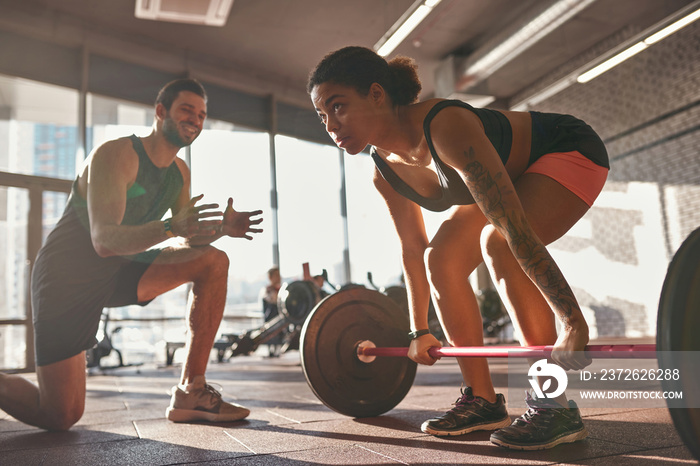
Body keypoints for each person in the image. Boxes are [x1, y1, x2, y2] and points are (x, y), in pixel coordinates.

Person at [307, 46, 609, 450]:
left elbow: (512, 226)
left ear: (376, 93)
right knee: (441, 257)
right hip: (511, 181)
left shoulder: (445, 126)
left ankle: (552, 403)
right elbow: (413, 248)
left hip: (566, 149)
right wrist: (419, 329)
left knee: (498, 244)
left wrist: (572, 319)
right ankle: (482, 400)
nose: (331, 124)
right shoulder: (383, 170)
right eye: (323, 115)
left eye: (338, 106)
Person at [0, 78, 264, 431]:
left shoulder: (179, 174)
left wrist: (220, 230)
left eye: (201, 115)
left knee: (214, 261)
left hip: (118, 270)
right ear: (160, 112)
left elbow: (188, 240)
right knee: (60, 415)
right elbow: (104, 241)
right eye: (186, 110)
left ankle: (192, 390)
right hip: (67, 278)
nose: (195, 120)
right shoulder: (117, 154)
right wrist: (171, 227)